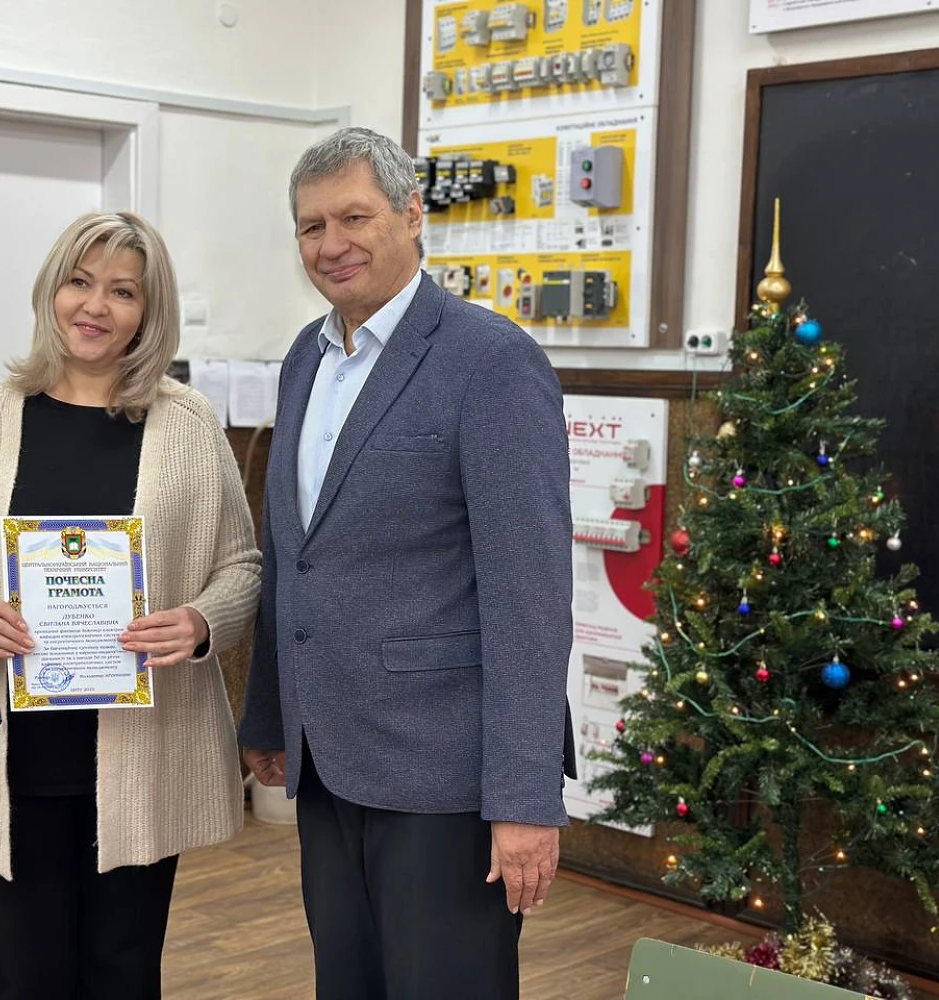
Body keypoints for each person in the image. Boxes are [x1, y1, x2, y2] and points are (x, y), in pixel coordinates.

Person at [239, 127, 576, 1000]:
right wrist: (269, 715)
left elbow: (530, 599)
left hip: (444, 779)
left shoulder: (490, 361)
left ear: (412, 214)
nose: (331, 244)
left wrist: (524, 797)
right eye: (311, 226)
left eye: (354, 217)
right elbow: (293, 557)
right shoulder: (306, 358)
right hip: (328, 760)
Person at [0, 211, 261, 1000]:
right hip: (14, 763)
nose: (94, 306)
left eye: (122, 291)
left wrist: (202, 622)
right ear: (51, 291)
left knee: (122, 976)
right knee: (21, 981)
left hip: (140, 760)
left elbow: (240, 567)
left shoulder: (187, 422)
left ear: (148, 310)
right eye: (79, 282)